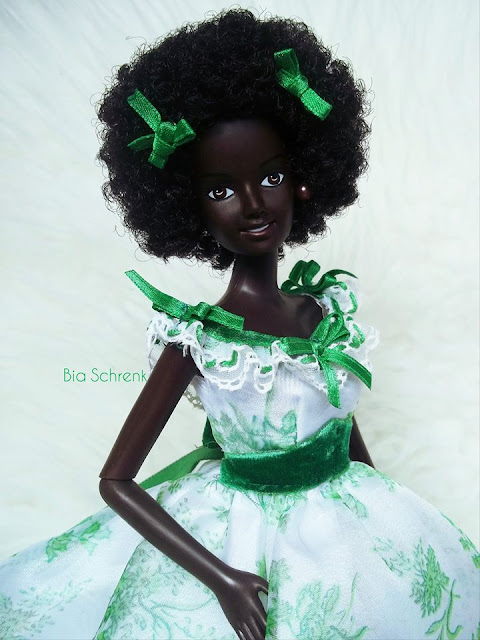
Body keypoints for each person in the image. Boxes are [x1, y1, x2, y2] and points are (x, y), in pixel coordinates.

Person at [0, 9, 478, 640]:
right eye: (221, 190)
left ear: (303, 181)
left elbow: (337, 416)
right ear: (188, 207)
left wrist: (387, 505)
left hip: (344, 527)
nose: (254, 205)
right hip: (238, 536)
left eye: (271, 177)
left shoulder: (323, 313)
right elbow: (116, 480)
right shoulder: (201, 342)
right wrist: (222, 577)